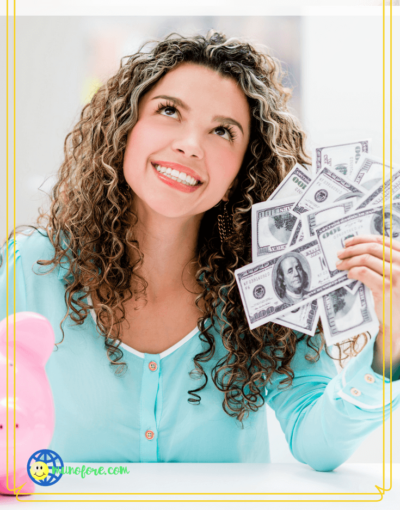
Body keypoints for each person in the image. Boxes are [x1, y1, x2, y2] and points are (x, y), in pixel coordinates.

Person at [1, 31, 400, 469]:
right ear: (125, 127)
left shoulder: (275, 283)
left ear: (244, 167)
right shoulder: (31, 268)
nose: (191, 144)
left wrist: (391, 347)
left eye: (222, 131)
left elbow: (317, 444)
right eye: (169, 110)